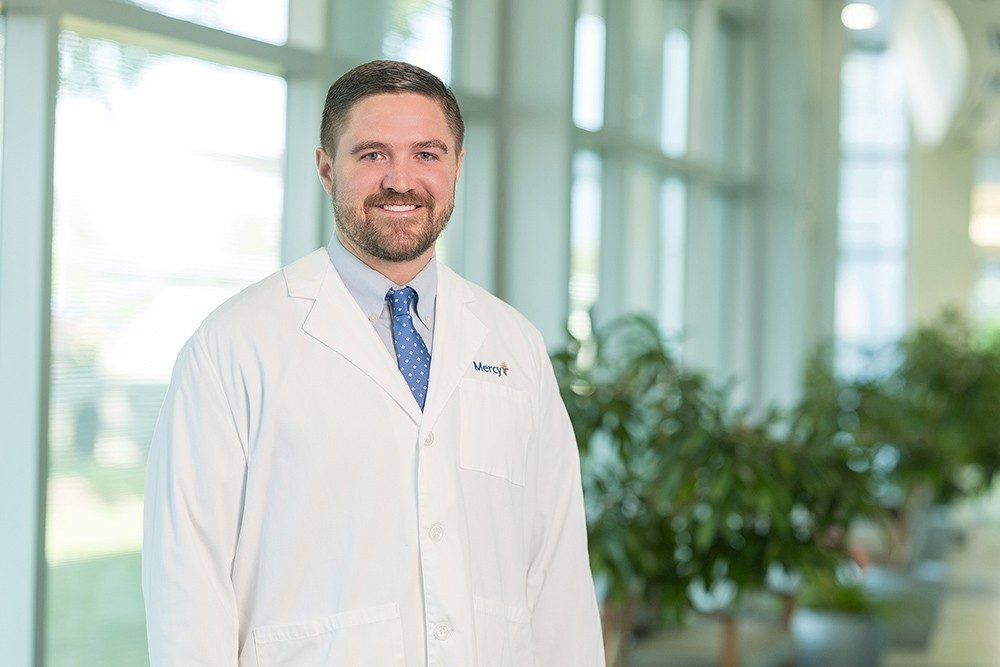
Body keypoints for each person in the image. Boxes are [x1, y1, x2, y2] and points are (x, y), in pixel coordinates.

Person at [142, 59, 605, 666]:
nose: (401, 180)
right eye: (372, 155)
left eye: (428, 154)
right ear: (326, 169)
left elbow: (558, 573)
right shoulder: (234, 346)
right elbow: (188, 582)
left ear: (458, 166)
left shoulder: (513, 345)